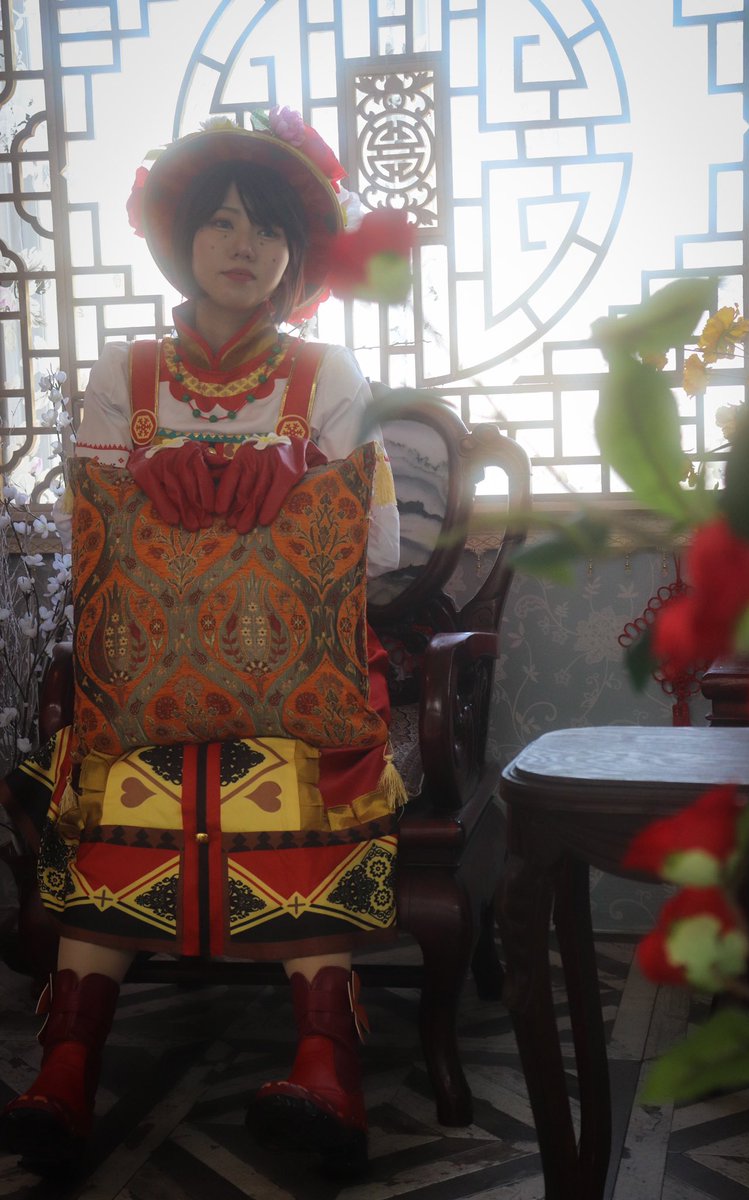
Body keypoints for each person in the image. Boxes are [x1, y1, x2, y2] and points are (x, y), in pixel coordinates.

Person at [0, 106, 410, 1177]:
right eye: (221, 221)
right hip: (145, 679)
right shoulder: (124, 374)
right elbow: (91, 538)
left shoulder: (327, 374)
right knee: (125, 777)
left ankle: (325, 1060)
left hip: (301, 683)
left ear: (294, 254)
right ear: (181, 238)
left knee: (284, 777)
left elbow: (379, 548)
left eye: (268, 228)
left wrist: (295, 486)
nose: (244, 245)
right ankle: (69, 1062)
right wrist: (157, 489)